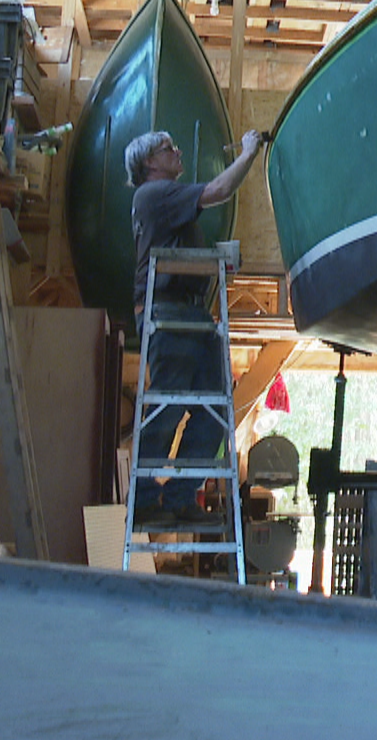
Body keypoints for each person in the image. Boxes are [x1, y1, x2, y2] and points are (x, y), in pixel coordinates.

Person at [124, 127, 266, 527]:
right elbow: (219, 190)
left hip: (191, 314)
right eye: (169, 149)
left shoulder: (163, 199)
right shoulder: (154, 194)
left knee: (214, 412)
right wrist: (249, 152)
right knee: (168, 407)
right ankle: (147, 501)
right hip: (169, 314)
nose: (178, 151)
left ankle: (181, 497)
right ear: (150, 163)